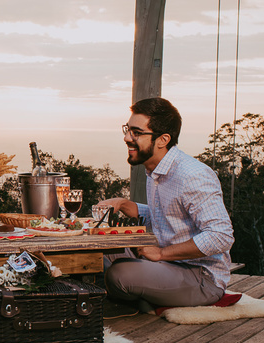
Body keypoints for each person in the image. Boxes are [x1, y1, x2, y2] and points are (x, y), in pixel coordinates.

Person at [93, 96, 235, 310]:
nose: (126, 138)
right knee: (97, 253)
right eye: (127, 129)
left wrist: (161, 254)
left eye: (136, 133)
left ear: (163, 139)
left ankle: (139, 297)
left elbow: (221, 236)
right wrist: (122, 203)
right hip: (166, 266)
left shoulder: (192, 175)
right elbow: (165, 217)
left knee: (119, 274)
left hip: (200, 277)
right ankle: (142, 293)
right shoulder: (155, 171)